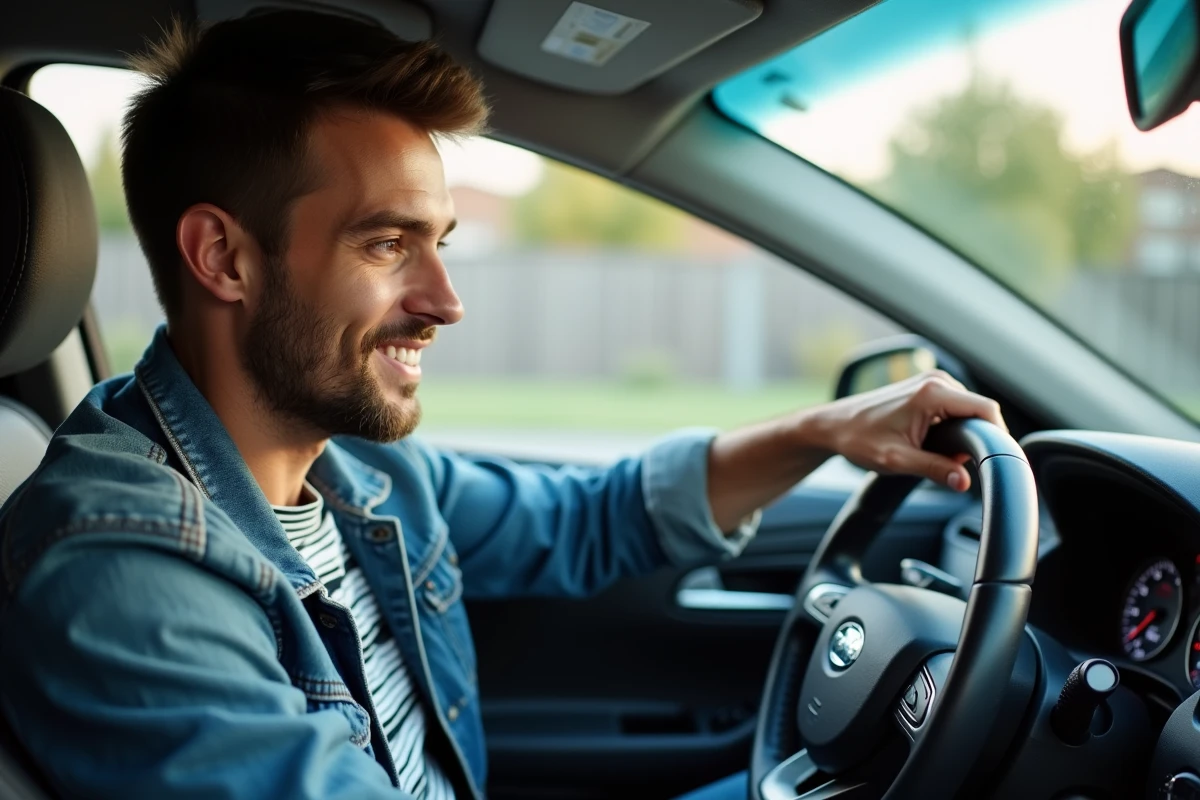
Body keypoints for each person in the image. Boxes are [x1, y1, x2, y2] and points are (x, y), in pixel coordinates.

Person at [0, 10, 1004, 800]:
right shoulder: (121, 568)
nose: (445, 300)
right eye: (388, 243)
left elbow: (591, 516)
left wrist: (830, 429)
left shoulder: (353, 466)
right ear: (224, 257)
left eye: (440, 240)